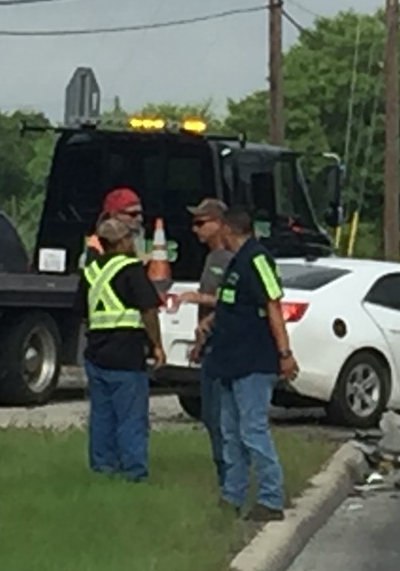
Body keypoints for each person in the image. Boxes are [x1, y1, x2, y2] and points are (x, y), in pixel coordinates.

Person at [203, 208, 299, 521]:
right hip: (230, 360)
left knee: (253, 430)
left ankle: (271, 499)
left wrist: (285, 354)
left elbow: (273, 304)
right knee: (231, 433)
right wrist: (209, 327)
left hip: (253, 361)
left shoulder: (257, 260)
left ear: (229, 229)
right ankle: (233, 496)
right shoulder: (236, 264)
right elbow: (232, 304)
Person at [74, 217, 167, 481]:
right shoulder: (131, 269)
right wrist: (157, 345)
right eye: (129, 237)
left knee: (102, 416)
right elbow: (148, 310)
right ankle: (134, 472)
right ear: (121, 242)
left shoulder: (91, 271)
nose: (133, 241)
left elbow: (82, 313)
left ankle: (103, 468)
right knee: (131, 418)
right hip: (126, 355)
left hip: (97, 353)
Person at [177, 197, 233, 489]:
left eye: (201, 222)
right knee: (210, 417)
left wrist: (197, 298)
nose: (195, 228)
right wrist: (199, 340)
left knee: (221, 418)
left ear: (219, 224)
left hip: (226, 346)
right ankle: (224, 477)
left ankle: (231, 479)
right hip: (209, 345)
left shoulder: (227, 258)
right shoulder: (210, 258)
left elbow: (232, 300)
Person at [81, 188, 149, 266]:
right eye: (133, 214)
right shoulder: (98, 243)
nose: (140, 219)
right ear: (113, 215)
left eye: (141, 214)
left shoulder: (139, 235)